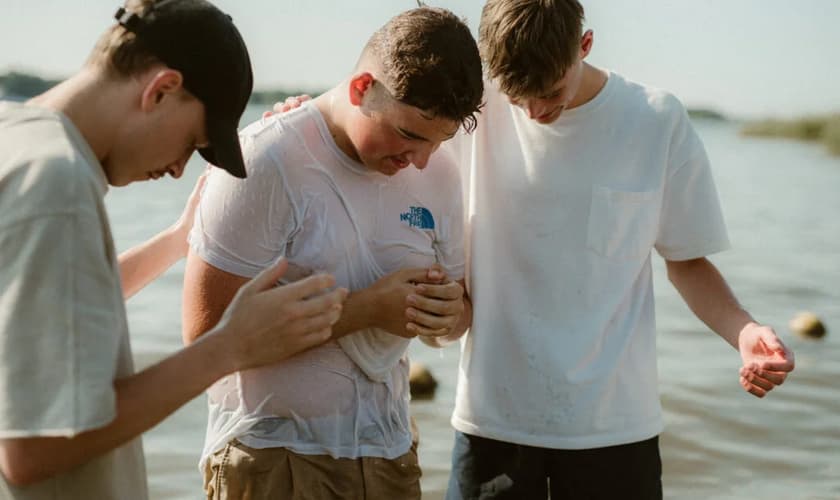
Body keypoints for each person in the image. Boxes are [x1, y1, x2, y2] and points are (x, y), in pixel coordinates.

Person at [437, 1, 797, 498]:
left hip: (616, 429)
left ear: (585, 45)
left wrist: (744, 330)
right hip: (492, 421)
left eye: (550, 92)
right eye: (518, 97)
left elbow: (687, 261)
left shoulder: (655, 120)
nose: (535, 112)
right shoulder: (471, 111)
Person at [0, 1, 346, 498]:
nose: (180, 169)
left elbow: (44, 307)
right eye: (192, 143)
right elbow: (34, 449)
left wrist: (176, 241)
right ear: (162, 89)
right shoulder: (58, 184)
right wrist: (228, 346)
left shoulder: (16, 140)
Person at [181, 6, 483, 499]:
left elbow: (456, 320)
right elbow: (205, 336)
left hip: (389, 454)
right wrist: (365, 310)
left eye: (439, 141)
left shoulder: (440, 173)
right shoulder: (267, 158)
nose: (420, 161)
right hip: (271, 454)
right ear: (363, 87)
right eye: (409, 134)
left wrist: (447, 315)